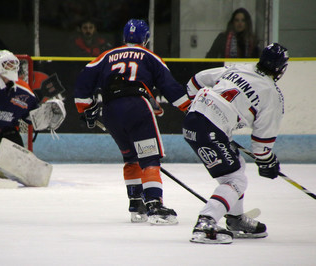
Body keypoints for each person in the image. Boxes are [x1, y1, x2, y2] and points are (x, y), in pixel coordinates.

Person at [74, 19, 191, 225]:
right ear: (145, 39)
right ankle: (155, 205)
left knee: (130, 158)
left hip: (110, 111)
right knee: (149, 158)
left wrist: (86, 108)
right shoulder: (149, 56)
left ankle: (137, 205)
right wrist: (189, 107)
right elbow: (170, 87)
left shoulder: (105, 55)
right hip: (136, 107)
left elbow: (83, 83)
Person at [184, 43, 289, 244]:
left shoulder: (240, 67)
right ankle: (206, 222)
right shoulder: (273, 96)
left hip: (194, 121)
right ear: (281, 69)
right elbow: (261, 146)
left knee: (237, 166)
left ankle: (235, 218)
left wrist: (195, 108)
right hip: (211, 130)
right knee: (236, 180)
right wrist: (268, 161)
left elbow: (196, 81)